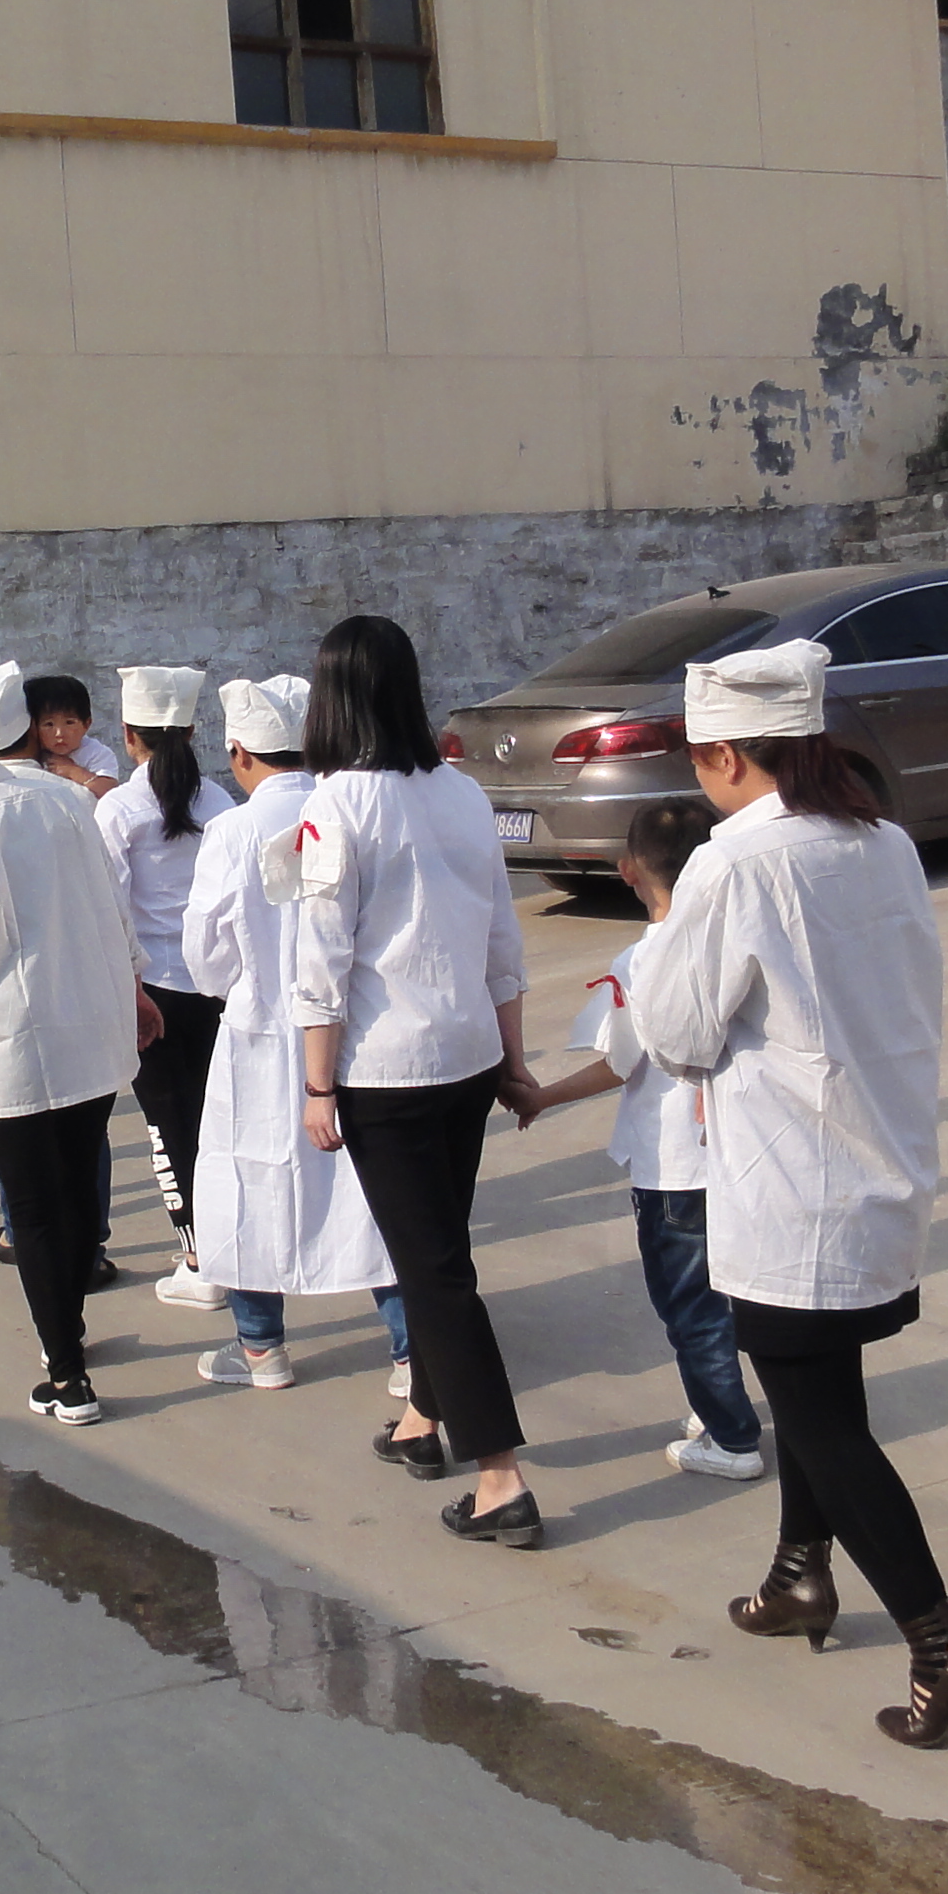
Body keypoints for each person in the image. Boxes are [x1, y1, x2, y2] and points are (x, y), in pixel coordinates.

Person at [627, 639, 948, 1749]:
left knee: (825, 1423)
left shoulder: (733, 863)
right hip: (879, 1160)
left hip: (790, 1181)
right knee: (818, 1395)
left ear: (726, 756)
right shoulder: (882, 840)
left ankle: (940, 1641)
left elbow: (678, 1034)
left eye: (699, 760)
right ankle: (800, 1573)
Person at [292, 614, 546, 1547]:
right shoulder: (463, 793)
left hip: (387, 1071)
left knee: (435, 1274)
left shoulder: (334, 806)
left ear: (332, 698)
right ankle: (421, 1421)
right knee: (437, 1254)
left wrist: (317, 1087)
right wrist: (513, 1057)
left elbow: (322, 960)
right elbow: (501, 937)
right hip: (467, 1057)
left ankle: (501, 1477)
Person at [0, 662, 156, 1428]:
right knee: (76, 1189)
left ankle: (69, 1375)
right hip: (90, 1022)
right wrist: (136, 988)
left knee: (34, 1208)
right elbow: (113, 906)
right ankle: (68, 1329)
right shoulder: (66, 800)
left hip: (16, 1038)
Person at [179, 673, 409, 1394]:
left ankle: (262, 1348)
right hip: (348, 1031)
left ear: (239, 753)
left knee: (246, 1181)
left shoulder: (232, 831)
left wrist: (246, 983)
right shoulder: (349, 809)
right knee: (370, 1189)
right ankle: (411, 1352)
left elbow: (205, 954)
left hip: (259, 1033)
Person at [526, 799, 766, 1481]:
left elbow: (618, 1062)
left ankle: (731, 1437)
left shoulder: (641, 961)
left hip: (674, 1166)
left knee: (689, 1304)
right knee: (731, 1295)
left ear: (628, 869)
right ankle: (717, 1402)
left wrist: (541, 1096)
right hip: (740, 1153)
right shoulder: (735, 945)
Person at [94, 665, 236, 1312]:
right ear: (192, 731)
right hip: (219, 987)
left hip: (152, 991)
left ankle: (200, 1260)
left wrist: (126, 994)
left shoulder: (120, 809)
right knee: (217, 1121)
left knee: (168, 1127)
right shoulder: (219, 801)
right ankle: (231, 1245)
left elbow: (110, 910)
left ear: (129, 735)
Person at [21, 672, 123, 790]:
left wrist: (73, 771)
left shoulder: (96, 753)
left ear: (86, 724)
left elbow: (108, 790)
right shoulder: (32, 753)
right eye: (49, 724)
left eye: (69, 722)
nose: (59, 734)